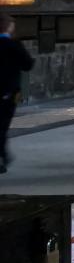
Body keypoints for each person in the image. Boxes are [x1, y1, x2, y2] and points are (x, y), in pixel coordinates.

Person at [0, 14, 34, 173]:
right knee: (3, 125)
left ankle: (3, 155)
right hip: (9, 90)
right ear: (8, 27)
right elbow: (27, 64)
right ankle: (2, 154)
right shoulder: (14, 44)